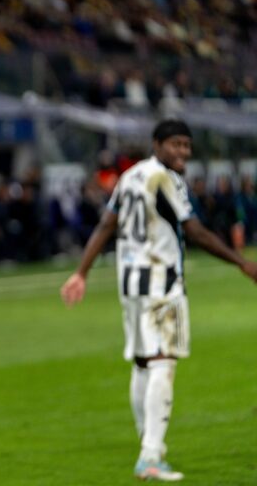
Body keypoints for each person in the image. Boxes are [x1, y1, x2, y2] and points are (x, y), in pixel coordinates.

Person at [60, 119, 257, 481]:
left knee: (142, 363)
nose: (183, 152)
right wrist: (242, 263)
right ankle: (150, 455)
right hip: (161, 284)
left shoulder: (131, 176)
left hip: (130, 284)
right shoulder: (164, 179)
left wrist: (81, 272)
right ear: (157, 144)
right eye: (175, 144)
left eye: (187, 145)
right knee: (163, 362)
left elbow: (108, 224)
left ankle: (147, 441)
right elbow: (194, 230)